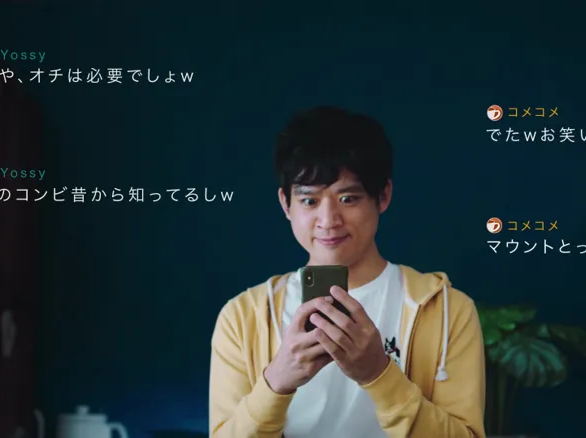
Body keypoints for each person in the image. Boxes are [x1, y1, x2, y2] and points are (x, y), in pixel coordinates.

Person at [207, 106, 486, 437]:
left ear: (383, 196)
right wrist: (276, 382)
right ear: (286, 204)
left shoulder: (447, 310)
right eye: (309, 201)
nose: (328, 221)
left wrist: (378, 374)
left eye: (348, 198)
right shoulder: (243, 317)